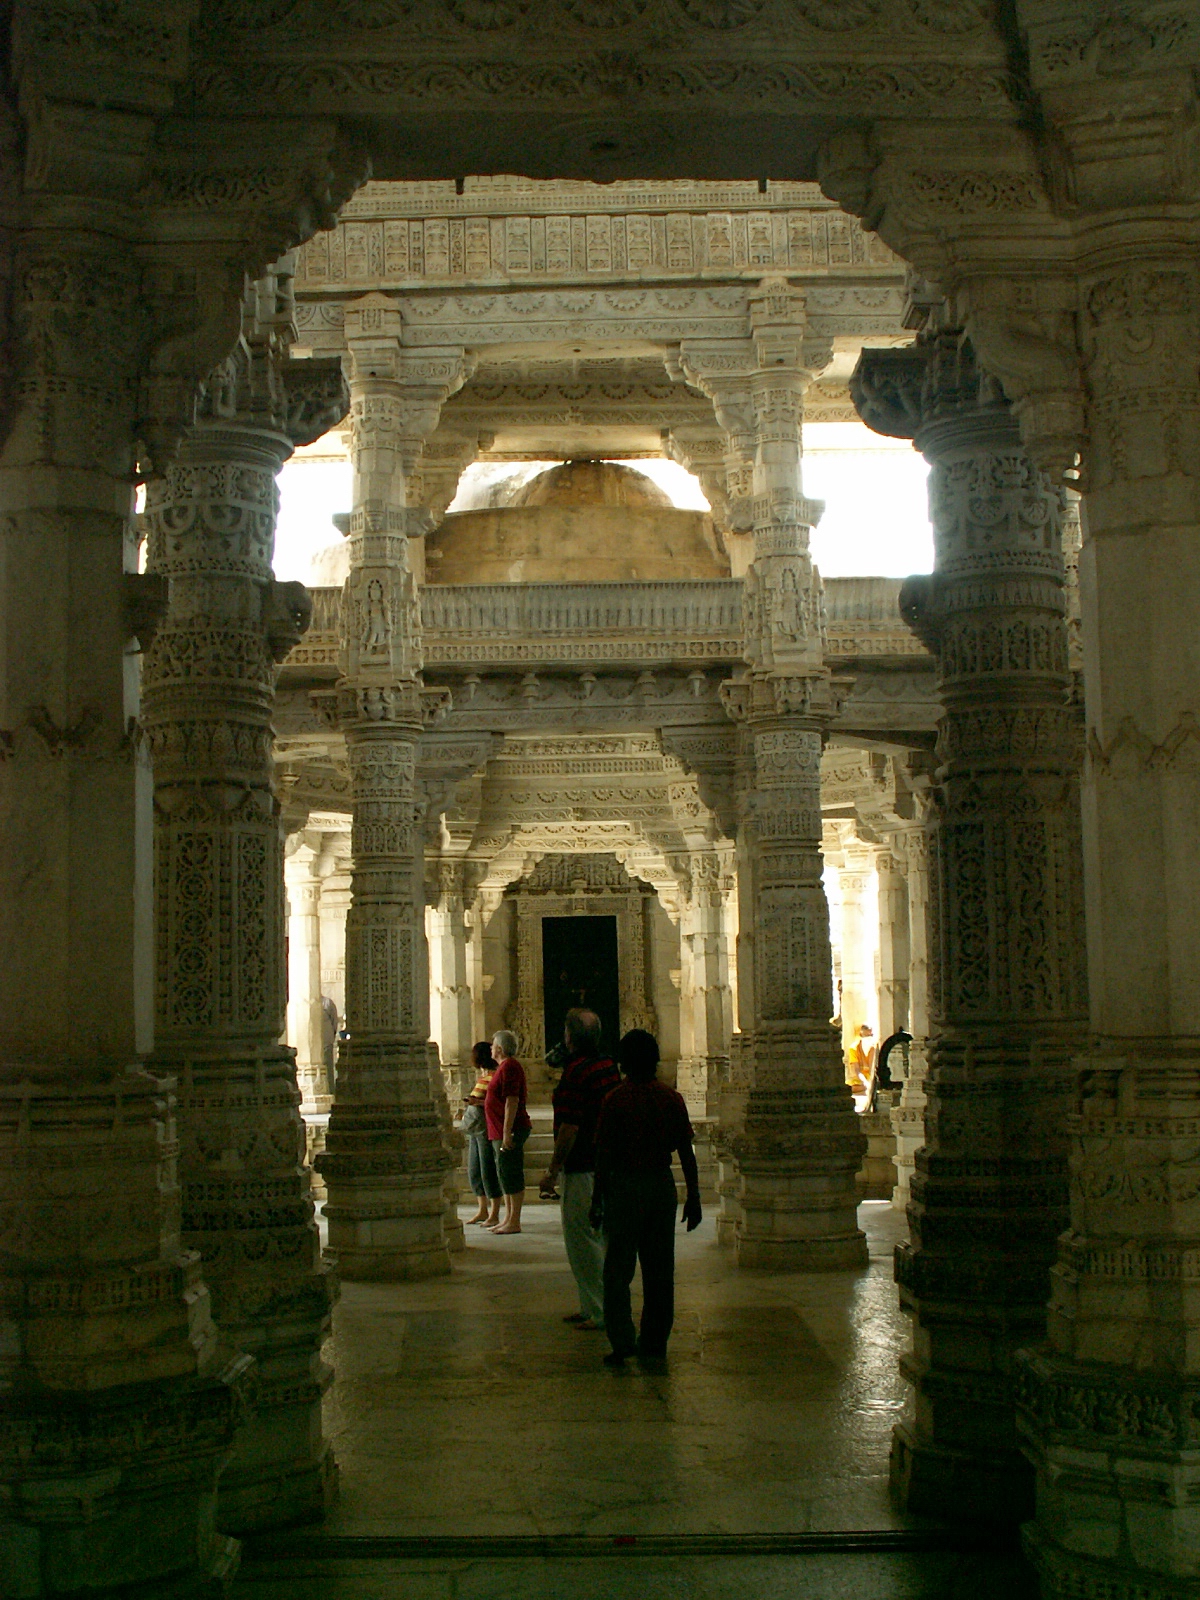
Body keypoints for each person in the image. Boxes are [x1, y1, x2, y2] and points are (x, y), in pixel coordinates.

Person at [590, 1029, 701, 1370]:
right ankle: (654, 1342)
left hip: (624, 1187)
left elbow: (604, 1154)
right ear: (655, 1060)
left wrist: (597, 1198)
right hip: (659, 1185)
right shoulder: (670, 1098)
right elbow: (686, 1151)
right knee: (659, 1271)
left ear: (623, 1062)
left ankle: (622, 1340)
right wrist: (693, 1195)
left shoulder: (615, 1099)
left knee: (617, 1271)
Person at [540, 1008, 620, 1331]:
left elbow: (570, 1127)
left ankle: (601, 1310)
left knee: (583, 1241)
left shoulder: (576, 1072)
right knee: (600, 1239)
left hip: (583, 1165)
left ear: (569, 1036)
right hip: (606, 1162)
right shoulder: (607, 1065)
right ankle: (592, 1306)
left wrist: (553, 1170)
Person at [483, 1030, 531, 1235]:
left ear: (500, 1049)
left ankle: (514, 1220)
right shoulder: (503, 1067)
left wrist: (506, 1132)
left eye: (493, 1045)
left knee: (511, 1173)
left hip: (510, 1129)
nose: (491, 1048)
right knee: (504, 1174)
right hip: (499, 1130)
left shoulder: (510, 1066)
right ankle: (508, 1218)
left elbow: (512, 1100)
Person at [461, 1042, 502, 1227]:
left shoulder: (495, 1076)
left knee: (487, 1170)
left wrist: (476, 1103)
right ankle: (482, 1209)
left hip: (485, 1127)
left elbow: (496, 1102)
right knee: (475, 1171)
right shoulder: (483, 1076)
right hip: (474, 1128)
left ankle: (494, 1212)